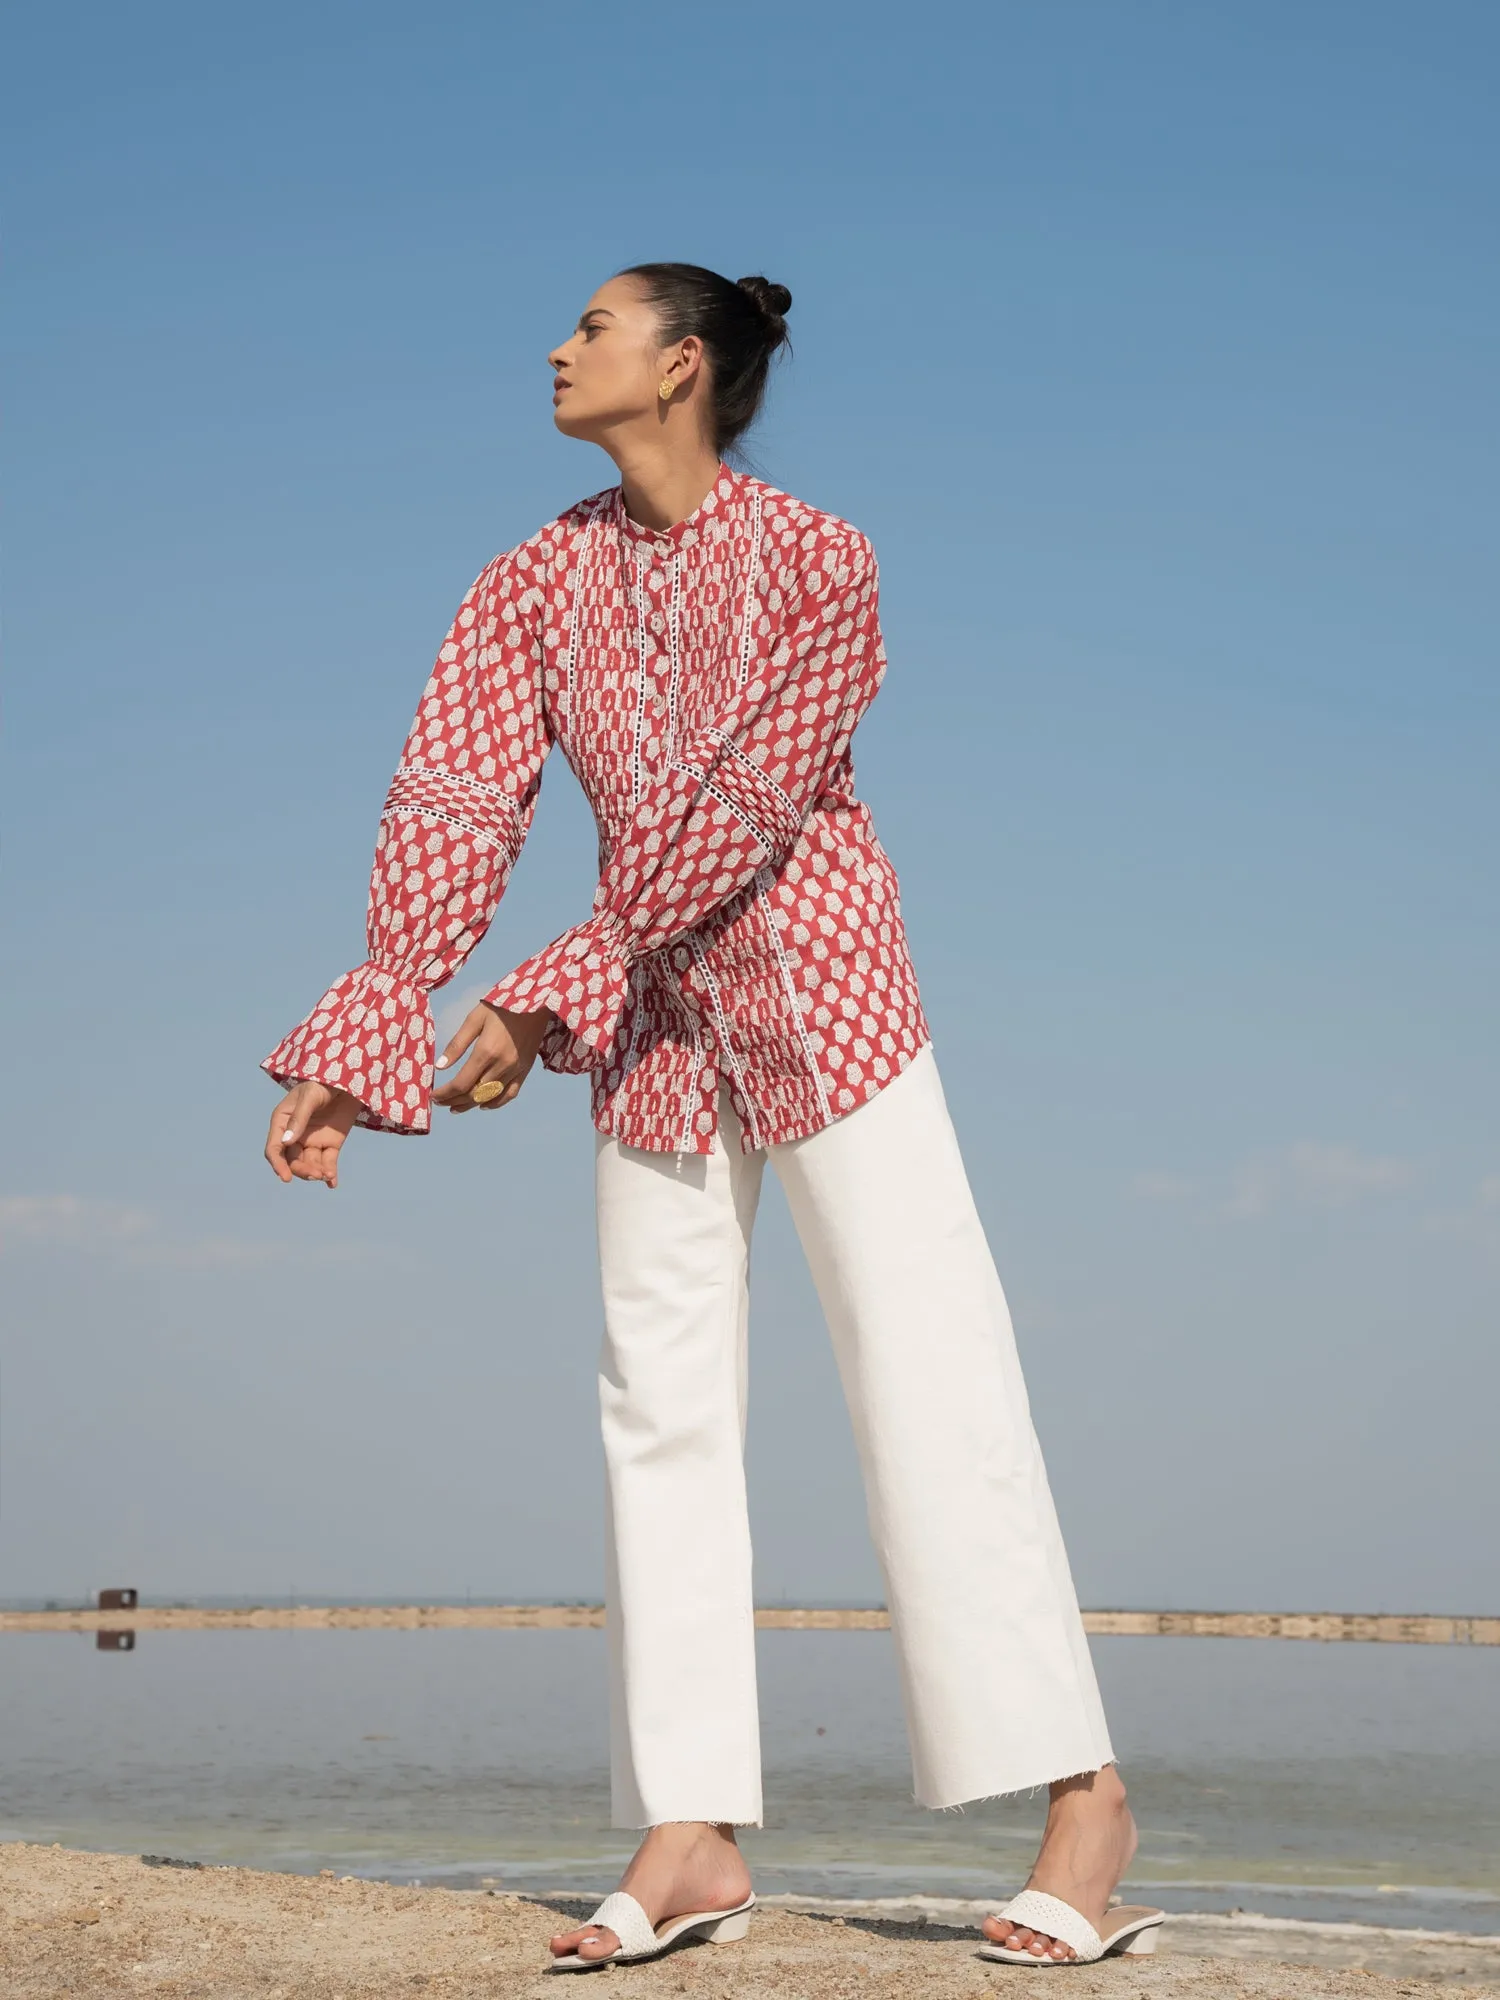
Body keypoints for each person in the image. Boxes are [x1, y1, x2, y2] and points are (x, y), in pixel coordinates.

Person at [260, 262, 1162, 1973]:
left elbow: (745, 805)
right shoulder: (532, 579)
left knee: (931, 1378)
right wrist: (370, 1022)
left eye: (590, 326)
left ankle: (1086, 1802)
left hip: (831, 1002)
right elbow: (454, 790)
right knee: (655, 1409)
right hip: (656, 1039)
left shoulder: (823, 556)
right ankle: (691, 1832)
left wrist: (540, 994)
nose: (553, 345)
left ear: (681, 367)